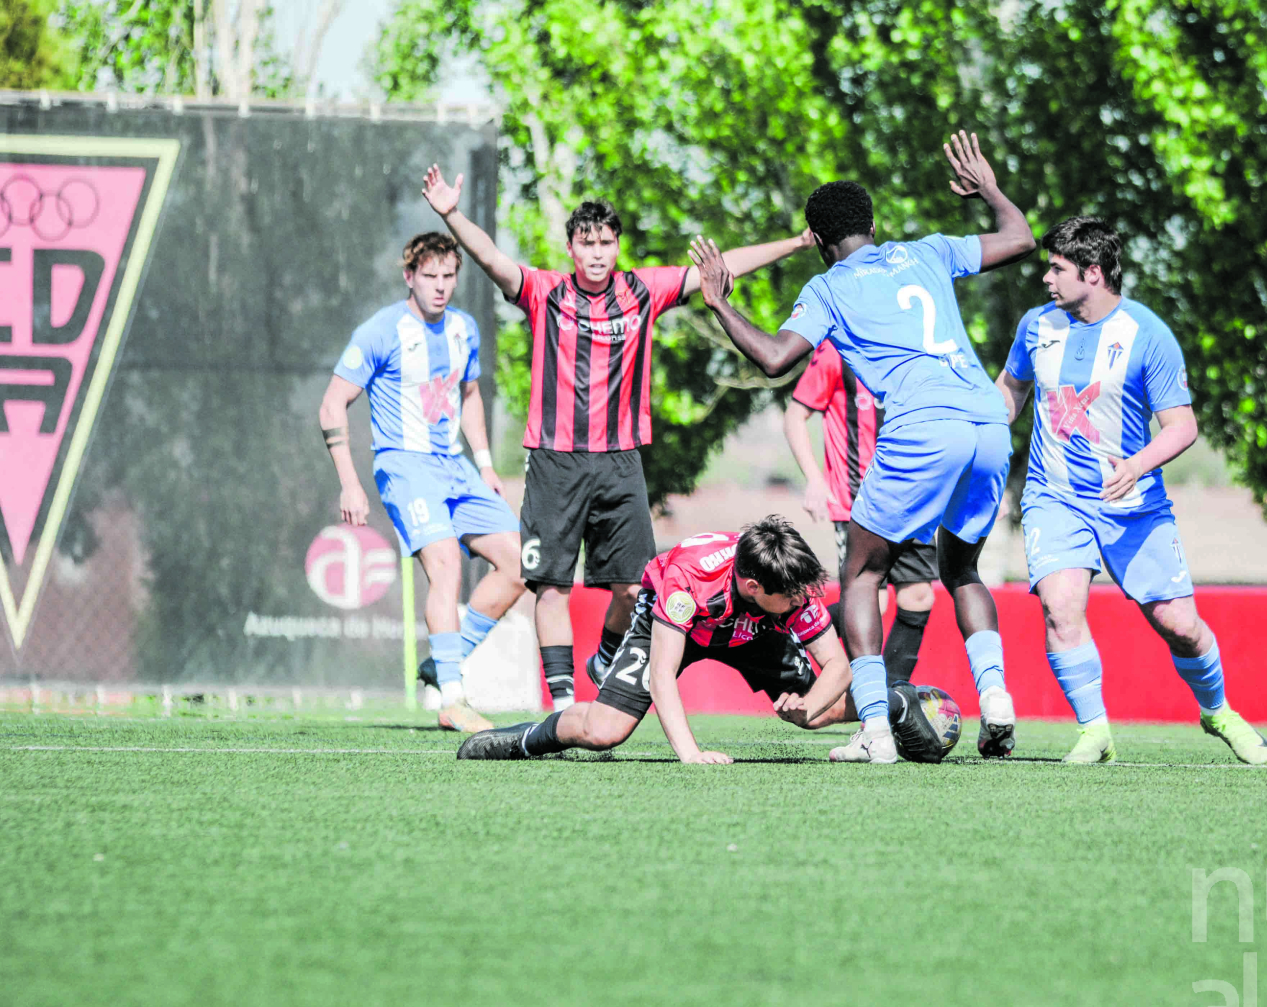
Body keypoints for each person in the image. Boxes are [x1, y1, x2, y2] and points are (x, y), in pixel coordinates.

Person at [687, 131, 1036, 764]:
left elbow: (774, 358)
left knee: (861, 573)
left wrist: (719, 304)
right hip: (988, 419)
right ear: (873, 226)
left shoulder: (827, 288)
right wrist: (989, 189)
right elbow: (1020, 239)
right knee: (961, 569)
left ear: (820, 243)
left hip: (923, 424)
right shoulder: (927, 251)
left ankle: (874, 730)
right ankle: (997, 700)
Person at [419, 167, 813, 711]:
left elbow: (719, 267)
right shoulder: (545, 292)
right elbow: (491, 258)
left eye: (606, 242)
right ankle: (562, 706)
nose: (597, 253)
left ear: (618, 246)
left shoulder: (641, 291)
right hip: (555, 462)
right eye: (587, 243)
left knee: (633, 588)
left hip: (620, 463)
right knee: (552, 588)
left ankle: (605, 657)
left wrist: (795, 243)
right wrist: (451, 213)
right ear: (571, 249)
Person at [995, 216, 1267, 764]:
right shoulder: (1036, 326)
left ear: (1093, 273)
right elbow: (1012, 388)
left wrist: (1138, 465)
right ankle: (1094, 732)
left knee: (1179, 626)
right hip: (1054, 497)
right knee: (1060, 607)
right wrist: (979, 434)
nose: (1046, 278)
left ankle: (1217, 711)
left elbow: (1182, 426)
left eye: (1057, 269)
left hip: (1133, 504)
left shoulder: (1148, 334)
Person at [317, 231, 525, 733]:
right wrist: (349, 483)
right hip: (405, 467)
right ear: (409, 276)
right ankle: (452, 698)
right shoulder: (380, 331)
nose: (440, 286)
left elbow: (469, 396)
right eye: (430, 276)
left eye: (448, 276)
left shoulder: (464, 328)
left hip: (456, 467)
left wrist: (486, 464)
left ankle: (443, 661)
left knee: (520, 564)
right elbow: (331, 404)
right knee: (446, 562)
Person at [456, 516, 855, 764]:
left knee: (827, 710)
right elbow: (662, 674)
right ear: (753, 586)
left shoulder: (789, 582)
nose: (802, 601)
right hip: (673, 625)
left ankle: (889, 713)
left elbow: (837, 665)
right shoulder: (690, 579)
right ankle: (525, 739)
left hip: (753, 630)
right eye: (792, 598)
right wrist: (691, 754)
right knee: (603, 731)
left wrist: (808, 707)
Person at [784, 340, 936, 683]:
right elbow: (794, 416)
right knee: (872, 601)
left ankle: (892, 695)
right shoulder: (838, 350)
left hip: (913, 497)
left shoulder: (919, 345)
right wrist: (814, 479)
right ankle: (790, 636)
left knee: (918, 596)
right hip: (857, 501)